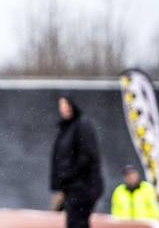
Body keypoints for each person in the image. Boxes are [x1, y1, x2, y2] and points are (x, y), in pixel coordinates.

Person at [50, 95, 104, 228]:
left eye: (66, 104)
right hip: (72, 187)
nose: (64, 108)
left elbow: (88, 156)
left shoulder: (82, 125)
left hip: (83, 187)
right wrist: (60, 187)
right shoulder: (65, 129)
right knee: (75, 222)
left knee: (77, 223)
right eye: (61, 105)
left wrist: (68, 176)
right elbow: (58, 159)